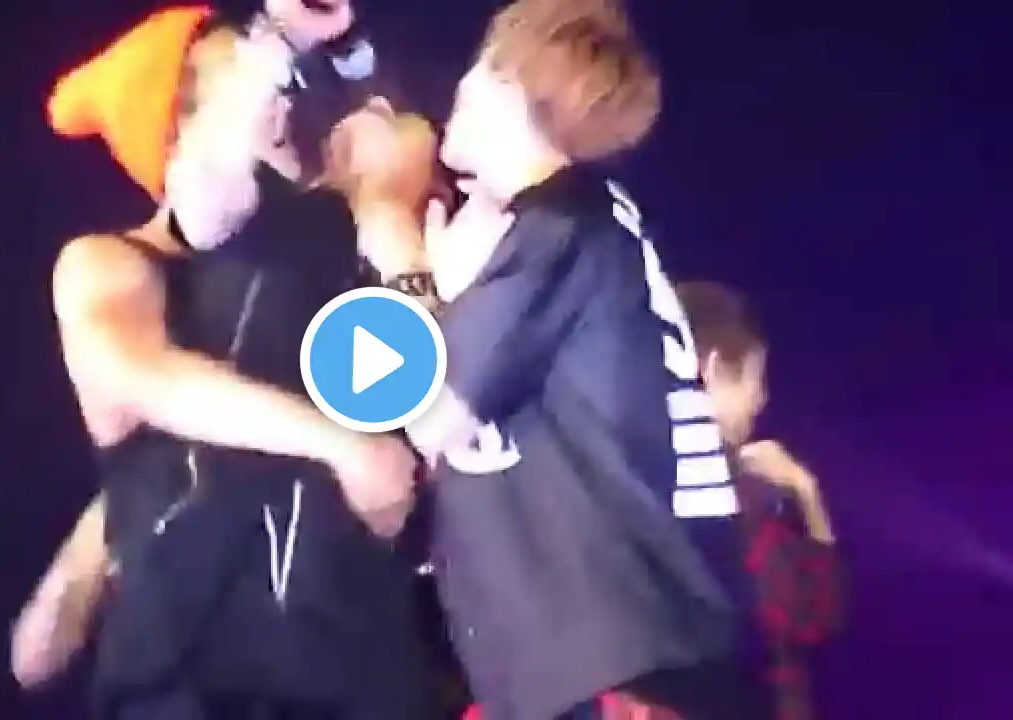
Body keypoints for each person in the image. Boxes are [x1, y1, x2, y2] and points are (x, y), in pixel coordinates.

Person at [18, 3, 442, 718]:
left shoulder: (318, 248)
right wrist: (341, 443)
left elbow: (401, 137)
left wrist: (349, 48)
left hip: (351, 670)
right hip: (192, 679)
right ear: (179, 131)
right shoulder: (110, 263)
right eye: (246, 79)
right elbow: (149, 379)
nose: (281, 98)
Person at [352, 0, 767, 717]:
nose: (461, 86)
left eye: (483, 65)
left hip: (617, 670)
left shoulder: (562, 225)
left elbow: (434, 413)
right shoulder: (581, 225)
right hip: (624, 663)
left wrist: (400, 254)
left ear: (514, 87)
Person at [597, 282, 840, 720]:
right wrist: (806, 492)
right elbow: (811, 615)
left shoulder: (612, 474)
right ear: (709, 370)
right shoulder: (741, 491)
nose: (761, 399)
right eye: (754, 378)